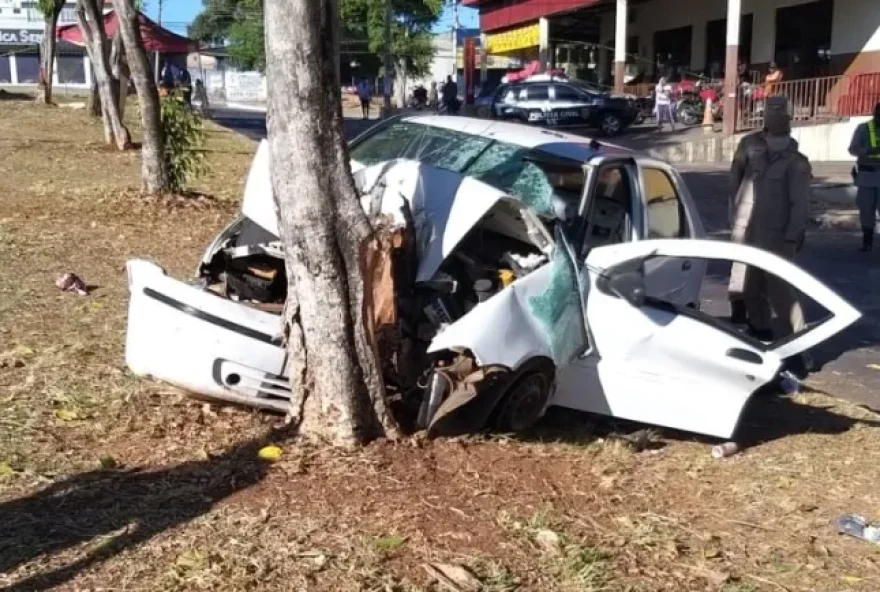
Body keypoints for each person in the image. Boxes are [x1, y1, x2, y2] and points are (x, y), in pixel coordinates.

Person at [728, 96, 811, 375]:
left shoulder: (795, 159)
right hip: (748, 231)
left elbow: (800, 204)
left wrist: (792, 238)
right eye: (770, 112)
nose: (774, 117)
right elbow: (735, 178)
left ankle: (797, 353)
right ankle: (761, 336)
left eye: (780, 113)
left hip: (777, 238)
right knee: (750, 288)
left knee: (781, 293)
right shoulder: (750, 145)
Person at [848, 101, 880, 251]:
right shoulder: (863, 128)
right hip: (867, 174)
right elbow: (852, 149)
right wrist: (868, 151)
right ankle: (867, 242)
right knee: (866, 210)